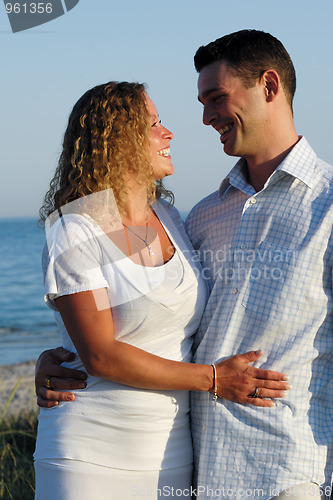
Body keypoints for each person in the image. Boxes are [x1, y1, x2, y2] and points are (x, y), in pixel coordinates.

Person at [34, 80, 289, 500]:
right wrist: (212, 379)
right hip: (89, 452)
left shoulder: (169, 218)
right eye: (153, 124)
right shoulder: (74, 229)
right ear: (116, 140)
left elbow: (162, 309)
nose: (168, 133)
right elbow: (99, 354)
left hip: (172, 450)